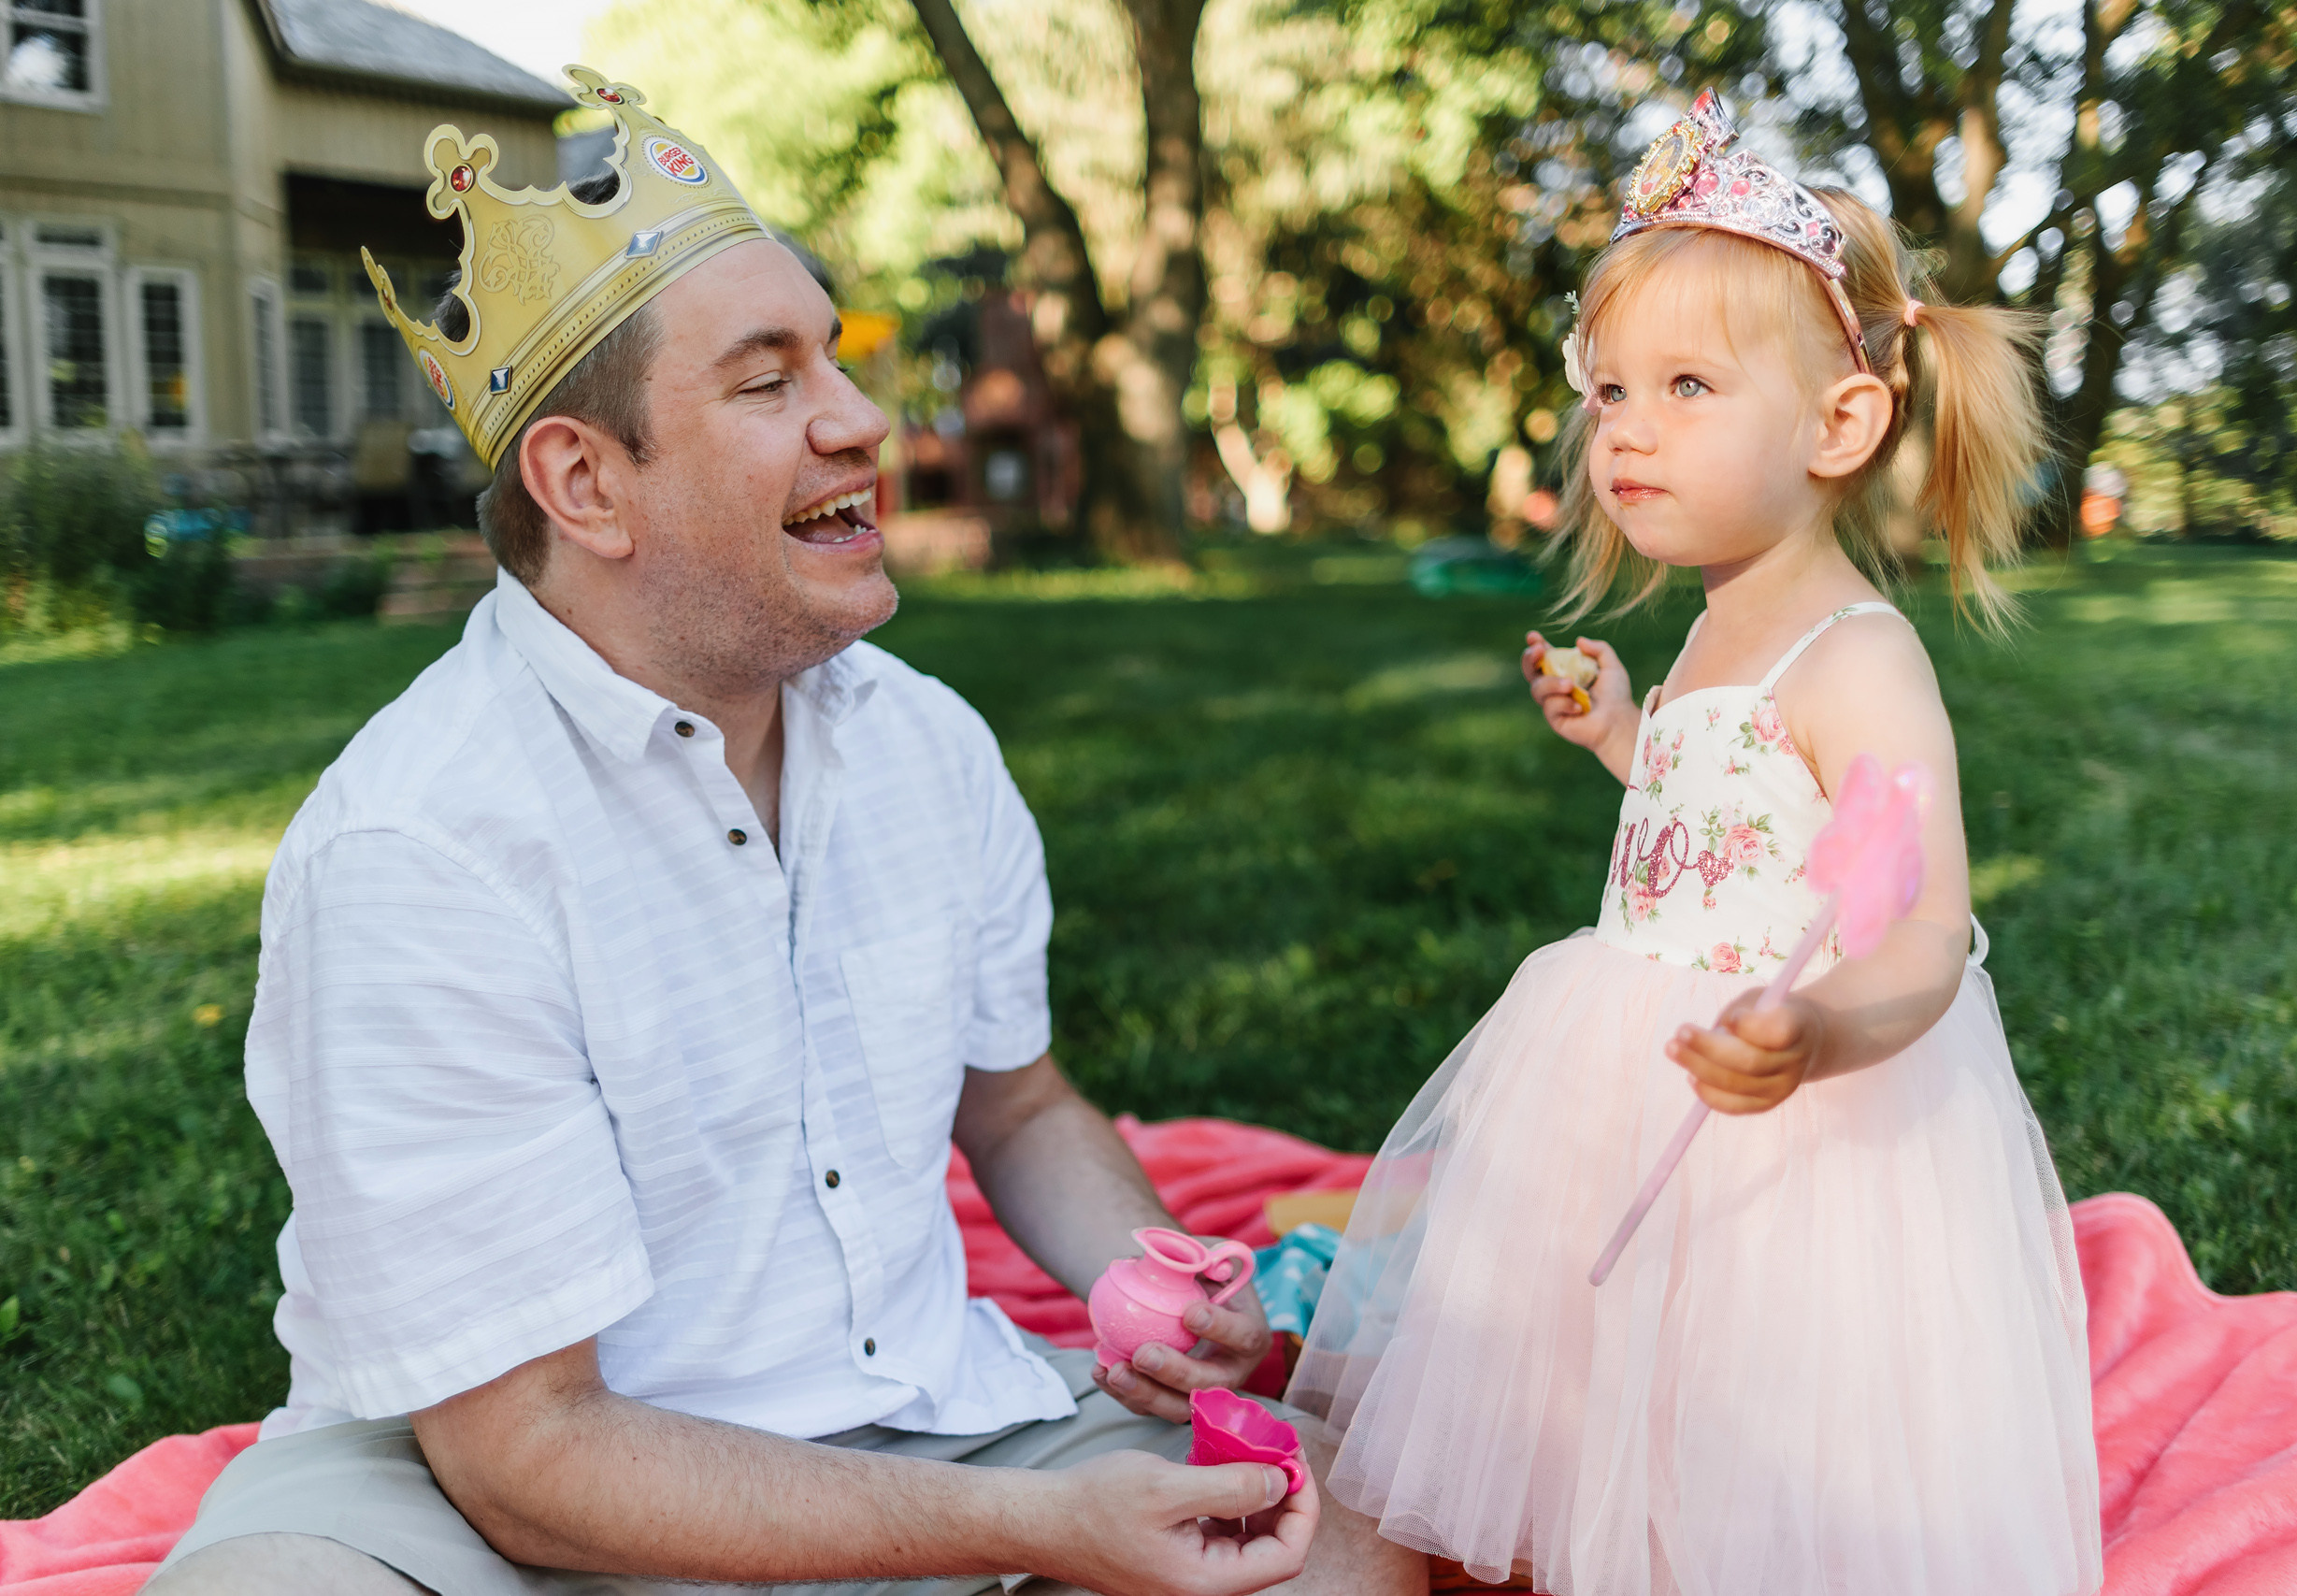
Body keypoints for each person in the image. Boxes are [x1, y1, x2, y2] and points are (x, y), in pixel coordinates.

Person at [146, 67, 1423, 1596]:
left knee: (1334, 1544)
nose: (862, 418)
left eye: (832, 357)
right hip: (484, 1489)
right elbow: (530, 1457)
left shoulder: (929, 746)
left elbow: (1014, 1107)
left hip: (910, 1428)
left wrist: (1144, 1271)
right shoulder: (419, 849)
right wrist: (1035, 1534)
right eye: (770, 382)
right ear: (583, 482)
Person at [1286, 91, 2102, 1596]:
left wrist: (1816, 1027)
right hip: (1622, 1063)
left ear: (1842, 423)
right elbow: (1724, 835)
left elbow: (1918, 928)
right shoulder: (1720, 622)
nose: (1629, 430)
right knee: (1578, 1358)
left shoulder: (1861, 660)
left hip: (1791, 1118)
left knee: (1743, 1391)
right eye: (1608, 393)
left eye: (1685, 387)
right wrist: (1626, 737)